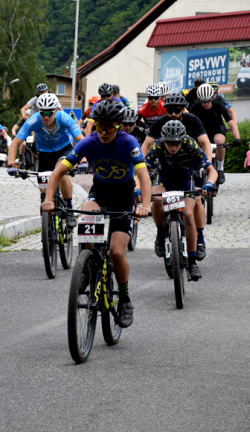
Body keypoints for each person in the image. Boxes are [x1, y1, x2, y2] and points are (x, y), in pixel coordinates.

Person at [41, 100, 151, 327]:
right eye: (99, 126)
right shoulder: (90, 142)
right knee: (86, 223)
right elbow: (58, 172)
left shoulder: (128, 141)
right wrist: (49, 200)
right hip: (100, 191)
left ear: (118, 126)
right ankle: (86, 268)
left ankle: (125, 299)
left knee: (117, 252)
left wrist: (145, 205)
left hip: (123, 195)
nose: (103, 131)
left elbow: (144, 177)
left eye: (109, 127)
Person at [141, 92, 215, 260]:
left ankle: (200, 239)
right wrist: (143, 166)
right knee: (157, 200)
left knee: (196, 201)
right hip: (165, 165)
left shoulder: (192, 121)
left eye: (177, 110)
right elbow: (146, 145)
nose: (173, 114)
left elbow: (204, 143)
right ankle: (161, 234)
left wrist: (206, 166)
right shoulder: (161, 125)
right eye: (169, 111)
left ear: (183, 109)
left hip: (191, 162)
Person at [146, 120, 215, 281]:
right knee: (156, 201)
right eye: (169, 143)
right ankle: (160, 233)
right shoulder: (157, 145)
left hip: (185, 180)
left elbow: (210, 169)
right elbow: (143, 167)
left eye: (176, 143)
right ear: (163, 140)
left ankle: (192, 262)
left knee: (188, 215)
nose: (173, 147)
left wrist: (210, 182)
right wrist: (138, 187)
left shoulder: (190, 143)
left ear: (182, 139)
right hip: (164, 179)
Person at [6, 93, 84, 228]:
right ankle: (46, 212)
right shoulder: (33, 120)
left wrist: (84, 160)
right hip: (44, 152)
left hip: (64, 149)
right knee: (43, 185)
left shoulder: (64, 118)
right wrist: (12, 164)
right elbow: (15, 143)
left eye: (49, 113)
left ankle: (70, 210)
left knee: (61, 172)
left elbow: (82, 141)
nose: (46, 117)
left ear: (55, 111)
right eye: (43, 113)